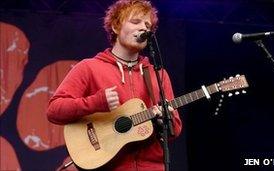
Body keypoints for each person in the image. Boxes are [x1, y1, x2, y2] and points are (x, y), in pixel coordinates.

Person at [46, 0, 182, 170]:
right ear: (116, 27)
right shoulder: (89, 67)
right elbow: (54, 110)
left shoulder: (158, 74)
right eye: (135, 22)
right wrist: (96, 102)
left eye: (148, 25)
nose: (144, 28)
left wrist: (165, 122)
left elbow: (174, 131)